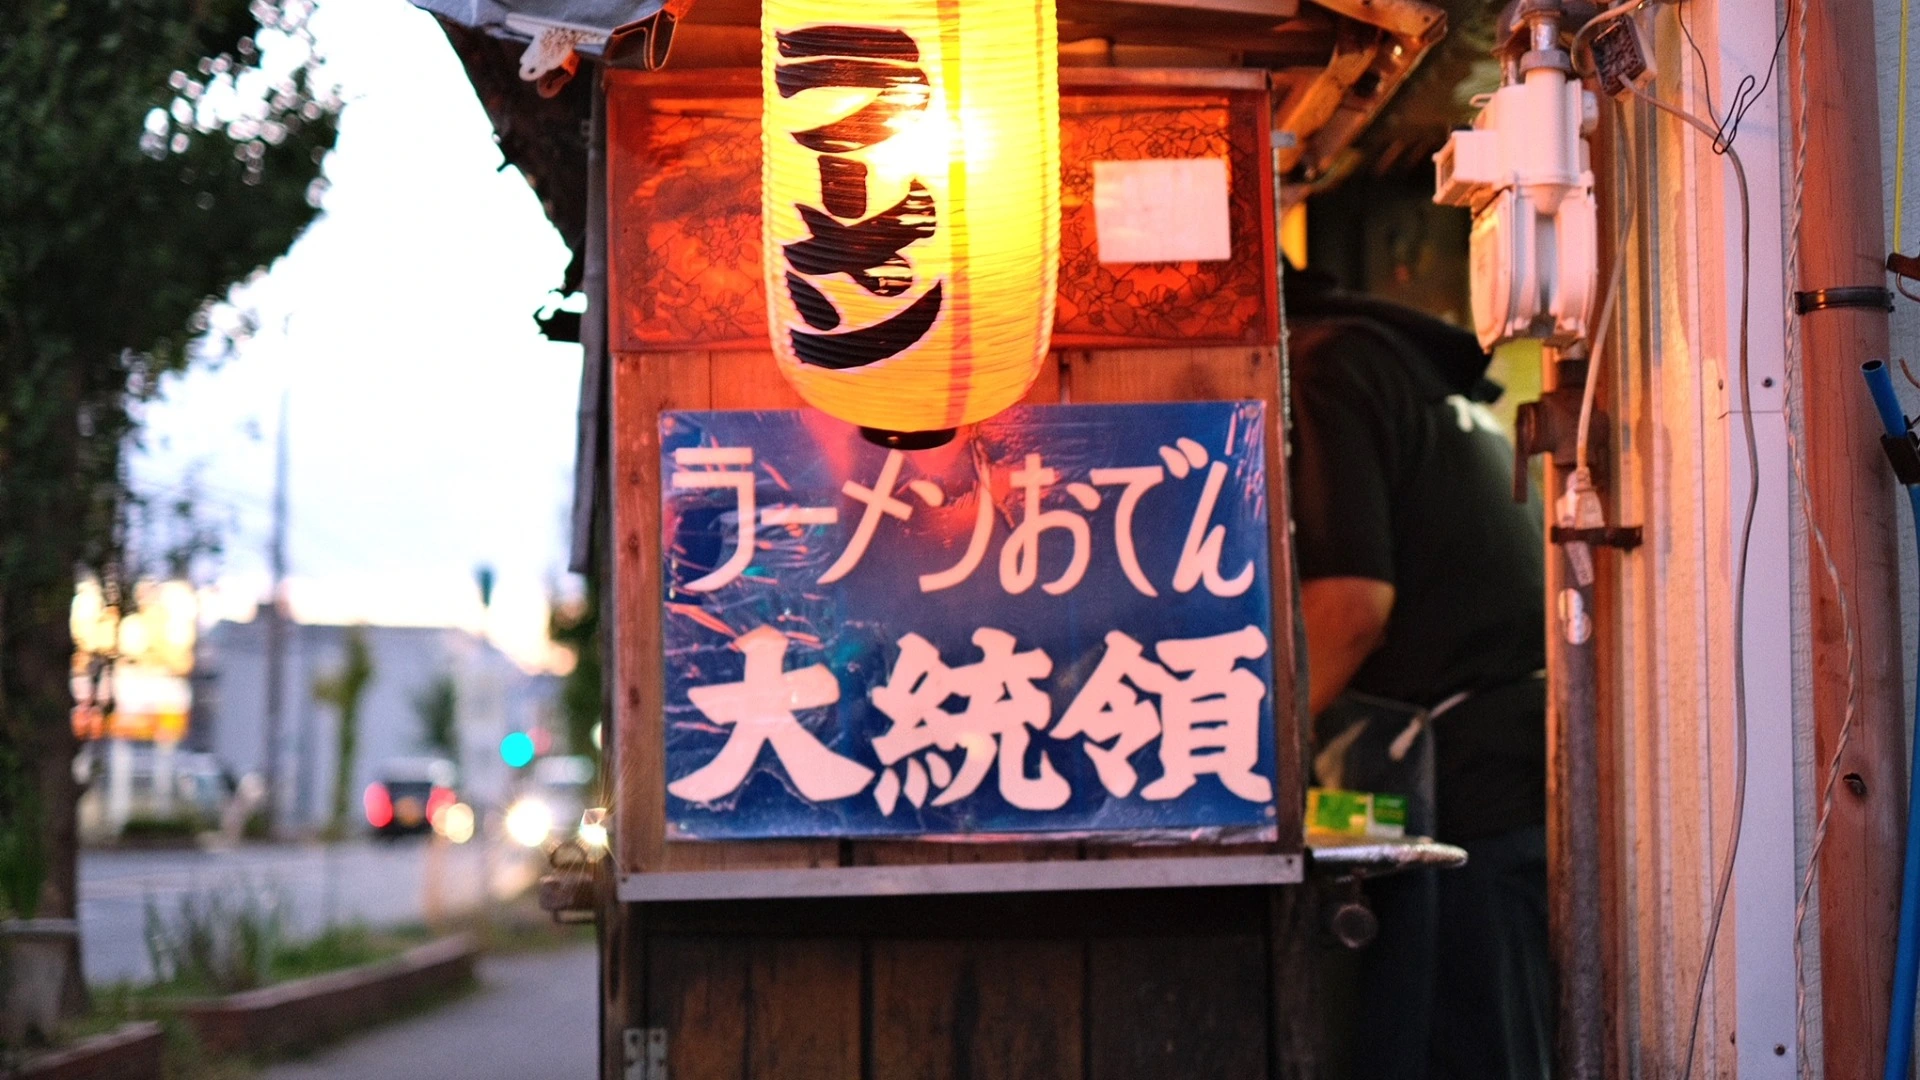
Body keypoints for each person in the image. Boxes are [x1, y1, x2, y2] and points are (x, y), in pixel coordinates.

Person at [1285, 271, 1554, 1080]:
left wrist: (1245, 758)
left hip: (1454, 792)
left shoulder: (1331, 367)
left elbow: (1350, 610)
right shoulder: (1407, 363)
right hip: (1508, 774)